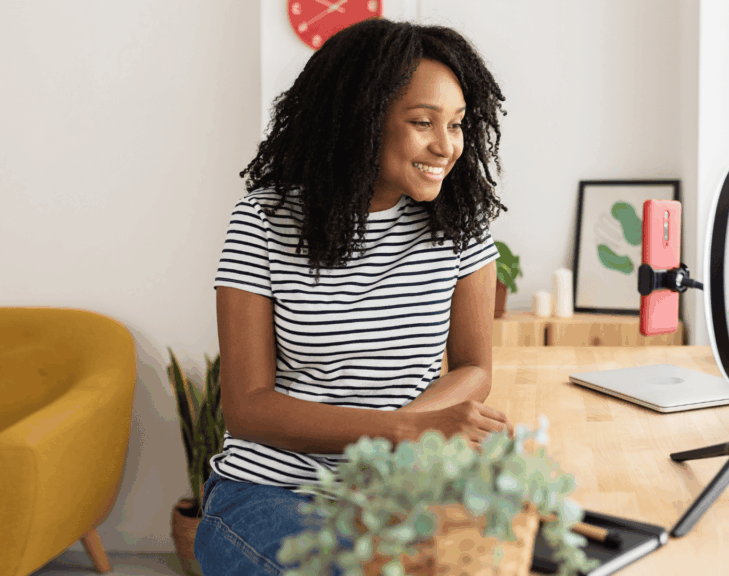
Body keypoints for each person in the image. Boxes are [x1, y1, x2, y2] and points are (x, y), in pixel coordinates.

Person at [195, 17, 513, 576]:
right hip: (272, 493)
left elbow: (472, 367)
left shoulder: (459, 226)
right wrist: (400, 432)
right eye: (423, 122)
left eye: (458, 124)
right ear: (362, 121)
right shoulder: (265, 222)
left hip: (399, 489)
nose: (447, 145)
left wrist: (403, 441)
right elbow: (246, 407)